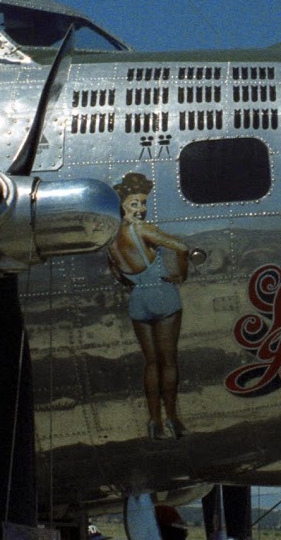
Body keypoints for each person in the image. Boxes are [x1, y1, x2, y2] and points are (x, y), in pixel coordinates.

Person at [107, 172, 191, 440]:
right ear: (122, 206)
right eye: (135, 204)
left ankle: (154, 422)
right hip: (162, 295)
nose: (141, 209)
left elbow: (118, 273)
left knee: (151, 363)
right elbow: (181, 247)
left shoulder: (110, 237)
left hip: (138, 301)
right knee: (169, 362)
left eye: (143, 203)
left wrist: (134, 282)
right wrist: (181, 275)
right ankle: (173, 419)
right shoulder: (143, 230)